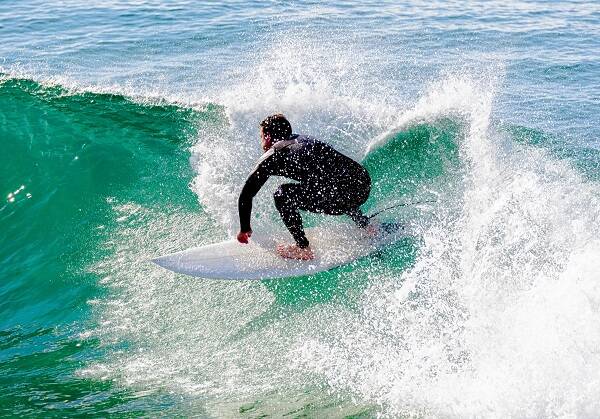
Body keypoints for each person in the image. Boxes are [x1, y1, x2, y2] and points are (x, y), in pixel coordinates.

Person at [237, 114, 372, 260]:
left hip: (340, 195)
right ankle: (366, 226)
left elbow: (246, 195)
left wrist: (245, 228)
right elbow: (335, 175)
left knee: (282, 194)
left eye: (261, 137)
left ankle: (303, 248)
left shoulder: (273, 155)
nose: (262, 142)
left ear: (268, 136)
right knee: (326, 179)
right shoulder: (305, 139)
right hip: (362, 185)